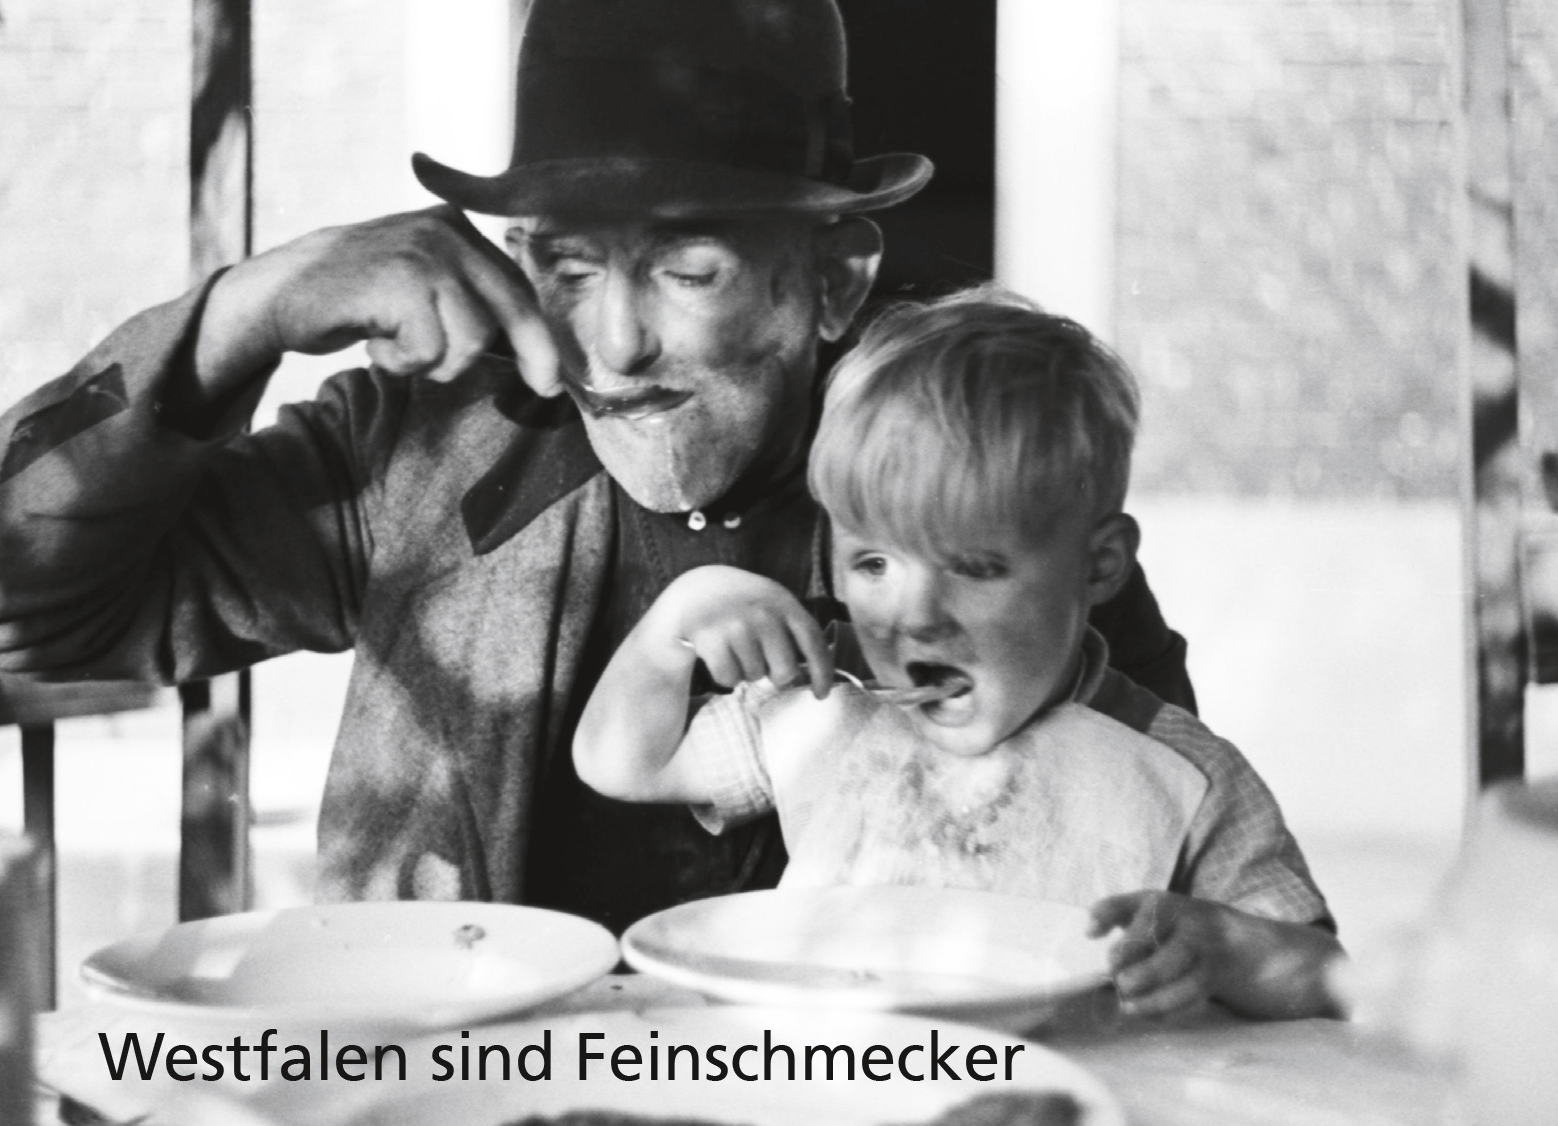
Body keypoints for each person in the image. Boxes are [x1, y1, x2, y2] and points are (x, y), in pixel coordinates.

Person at [0, 0, 1196, 934]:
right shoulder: (417, 457)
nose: (612, 346)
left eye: (688, 269)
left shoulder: (970, 487)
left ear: (833, 280)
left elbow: (1157, 839)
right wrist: (244, 317)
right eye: (568, 269)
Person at [573, 292, 1341, 1019]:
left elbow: (1328, 978)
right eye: (872, 563)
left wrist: (1227, 951)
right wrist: (670, 628)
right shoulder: (827, 709)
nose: (914, 617)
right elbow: (625, 765)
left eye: (973, 568)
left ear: (1099, 564)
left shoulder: (1185, 773)